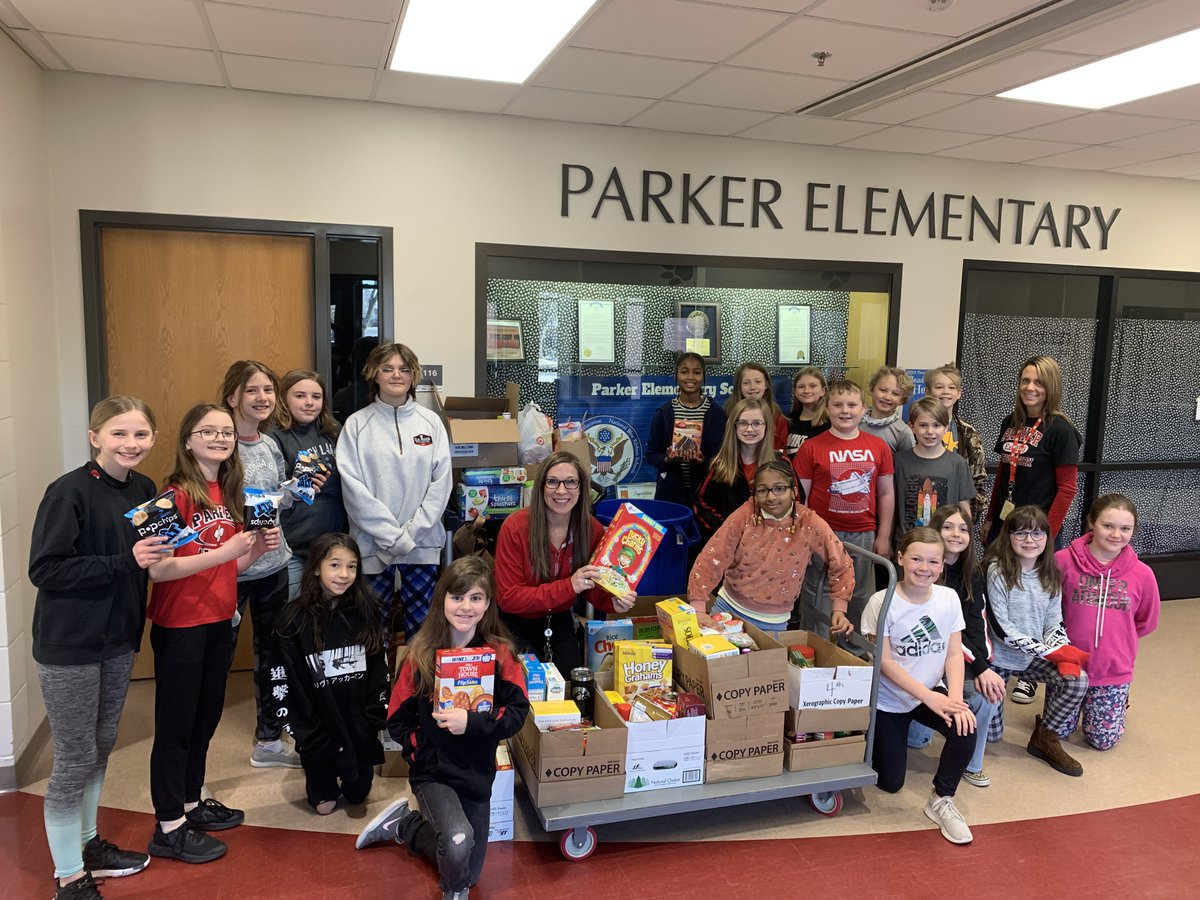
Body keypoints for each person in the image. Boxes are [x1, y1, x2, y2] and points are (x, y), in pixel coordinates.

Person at [30, 397, 165, 899]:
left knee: (102, 742)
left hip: (117, 639)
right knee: (73, 755)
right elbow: (44, 570)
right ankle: (68, 876)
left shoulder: (146, 490)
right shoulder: (68, 493)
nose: (131, 444)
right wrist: (122, 560)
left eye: (141, 435)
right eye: (119, 434)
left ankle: (88, 844)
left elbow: (148, 558)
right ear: (95, 438)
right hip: (69, 643)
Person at [145, 404, 279, 864]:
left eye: (225, 432)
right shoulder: (173, 495)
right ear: (188, 440)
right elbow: (160, 570)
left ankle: (189, 802)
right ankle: (167, 826)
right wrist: (225, 549)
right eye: (208, 431)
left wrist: (255, 548)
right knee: (176, 726)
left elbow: (231, 567)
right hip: (180, 623)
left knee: (205, 719)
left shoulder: (229, 491)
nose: (220, 438)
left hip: (219, 619)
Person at [354, 557, 530, 900]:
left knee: (470, 869)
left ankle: (406, 825)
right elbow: (397, 721)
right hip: (433, 772)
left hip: (477, 773)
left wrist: (474, 723)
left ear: (488, 604)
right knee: (458, 845)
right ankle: (453, 892)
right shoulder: (420, 654)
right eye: (457, 597)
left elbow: (518, 712)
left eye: (476, 598)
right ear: (442, 600)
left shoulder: (500, 654)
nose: (466, 607)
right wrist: (425, 749)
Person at [860, 527, 976, 845]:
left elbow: (954, 652)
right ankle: (872, 736)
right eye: (916, 559)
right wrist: (931, 699)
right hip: (889, 700)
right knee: (890, 782)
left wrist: (953, 699)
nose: (924, 568)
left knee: (965, 727)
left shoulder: (948, 597)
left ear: (942, 566)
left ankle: (941, 799)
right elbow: (884, 662)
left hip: (928, 692)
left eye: (933, 562)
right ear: (900, 559)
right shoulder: (881, 602)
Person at [981, 356, 1081, 706]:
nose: (1030, 388)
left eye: (1038, 382)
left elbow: (1067, 488)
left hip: (1036, 533)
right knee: (995, 592)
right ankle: (994, 661)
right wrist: (991, 520)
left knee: (1032, 599)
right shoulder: (1013, 423)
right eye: (1025, 380)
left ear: (1051, 386)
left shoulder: (1061, 429)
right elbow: (1001, 478)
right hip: (1006, 526)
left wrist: (1045, 538)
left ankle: (1030, 674)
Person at [337, 341, 452, 640]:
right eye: (387, 368)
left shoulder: (432, 423)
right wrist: (392, 537)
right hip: (372, 547)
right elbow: (354, 490)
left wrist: (410, 536)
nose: (396, 375)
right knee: (371, 632)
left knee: (422, 633)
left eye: (403, 369)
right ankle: (375, 688)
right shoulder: (356, 425)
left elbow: (441, 486)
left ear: (414, 375)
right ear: (374, 374)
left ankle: (414, 688)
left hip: (422, 545)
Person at [219, 360, 298, 769]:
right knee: (217, 659)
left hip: (273, 567)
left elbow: (273, 503)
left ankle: (268, 740)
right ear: (232, 396)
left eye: (268, 389)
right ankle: (192, 754)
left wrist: (297, 491)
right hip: (229, 572)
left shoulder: (269, 444)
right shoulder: (220, 447)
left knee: (273, 656)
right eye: (252, 390)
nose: (262, 398)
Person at [272, 534, 387, 815]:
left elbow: (378, 669)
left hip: (358, 728)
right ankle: (320, 774)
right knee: (323, 806)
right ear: (315, 568)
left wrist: (373, 719)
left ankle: (351, 765)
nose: (344, 574)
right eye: (334, 565)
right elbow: (286, 684)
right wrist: (309, 735)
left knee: (358, 796)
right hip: (318, 733)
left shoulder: (367, 611)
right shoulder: (292, 620)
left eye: (352, 566)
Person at [494, 451, 634, 671]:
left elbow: (592, 586)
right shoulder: (515, 528)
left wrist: (613, 602)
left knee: (573, 681)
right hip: (514, 622)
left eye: (570, 482)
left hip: (558, 618)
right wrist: (569, 586)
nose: (561, 490)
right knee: (529, 682)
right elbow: (509, 598)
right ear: (541, 487)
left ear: (581, 488)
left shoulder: (591, 529)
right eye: (552, 482)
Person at [688, 460, 854, 636]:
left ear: (794, 492)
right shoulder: (745, 514)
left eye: (779, 488)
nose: (771, 497)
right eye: (762, 490)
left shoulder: (810, 523)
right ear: (754, 494)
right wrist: (698, 608)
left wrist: (839, 609)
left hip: (774, 623)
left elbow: (842, 563)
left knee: (764, 663)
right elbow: (711, 557)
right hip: (727, 611)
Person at [983, 506, 1089, 777]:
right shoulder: (996, 571)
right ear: (1008, 536)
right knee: (991, 736)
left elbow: (1054, 622)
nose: (1030, 540)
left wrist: (1060, 649)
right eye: (1021, 533)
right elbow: (1000, 628)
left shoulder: (1050, 573)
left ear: (1047, 538)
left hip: (1031, 659)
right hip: (997, 661)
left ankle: (1045, 737)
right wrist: (1045, 650)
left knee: (1078, 680)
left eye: (1037, 533)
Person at [907, 507, 1005, 789]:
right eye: (948, 527)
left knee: (988, 691)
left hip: (957, 657)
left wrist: (984, 668)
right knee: (916, 741)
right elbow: (940, 630)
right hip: (924, 658)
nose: (956, 534)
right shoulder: (924, 572)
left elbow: (977, 623)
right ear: (935, 532)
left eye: (963, 529)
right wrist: (980, 667)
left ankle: (971, 763)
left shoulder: (972, 572)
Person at [1056, 494, 1160, 750]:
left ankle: (1119, 702)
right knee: (1057, 732)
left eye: (1125, 528)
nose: (1116, 535)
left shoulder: (1143, 574)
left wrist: (1118, 641)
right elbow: (1050, 610)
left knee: (1102, 742)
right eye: (1108, 526)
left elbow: (1147, 620)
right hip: (1070, 664)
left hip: (1113, 667)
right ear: (1092, 522)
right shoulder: (1062, 561)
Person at [793, 379, 894, 637]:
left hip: (864, 533)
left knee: (859, 594)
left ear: (863, 408)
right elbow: (800, 499)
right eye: (837, 405)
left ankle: (854, 651)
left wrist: (883, 535)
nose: (845, 410)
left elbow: (885, 492)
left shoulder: (878, 447)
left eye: (852, 404)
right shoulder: (811, 447)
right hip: (823, 535)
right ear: (827, 409)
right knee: (820, 592)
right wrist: (802, 537)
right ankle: (816, 645)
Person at [270, 369, 347, 599]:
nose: (309, 403)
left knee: (327, 616)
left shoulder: (334, 432)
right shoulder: (273, 436)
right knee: (292, 617)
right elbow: (276, 487)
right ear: (284, 398)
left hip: (331, 545)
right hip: (292, 546)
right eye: (300, 396)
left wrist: (330, 483)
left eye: (316, 397)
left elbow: (352, 479)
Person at [645, 352, 726, 506]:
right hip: (671, 495)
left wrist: (703, 461)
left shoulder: (717, 414)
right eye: (684, 372)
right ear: (676, 376)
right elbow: (651, 455)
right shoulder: (664, 413)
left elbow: (724, 458)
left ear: (704, 377)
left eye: (696, 372)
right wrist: (667, 460)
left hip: (707, 496)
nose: (690, 377)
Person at [694, 398, 779, 544]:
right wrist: (727, 531)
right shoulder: (720, 464)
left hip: (771, 544)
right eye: (743, 423)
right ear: (734, 426)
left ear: (767, 426)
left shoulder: (780, 463)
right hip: (731, 546)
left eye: (757, 423)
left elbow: (795, 501)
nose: (749, 429)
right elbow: (701, 504)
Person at [891, 397, 974, 538]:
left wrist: (966, 538)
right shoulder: (899, 461)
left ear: (946, 428)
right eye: (923, 425)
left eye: (936, 425)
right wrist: (886, 538)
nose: (930, 431)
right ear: (912, 427)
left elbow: (964, 508)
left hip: (945, 544)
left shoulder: (958, 463)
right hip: (906, 543)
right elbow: (891, 507)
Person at [924, 363, 987, 519]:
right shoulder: (914, 430)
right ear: (927, 391)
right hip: (923, 510)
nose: (945, 392)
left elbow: (978, 480)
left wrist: (968, 518)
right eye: (939, 387)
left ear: (959, 393)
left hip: (956, 514)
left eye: (951, 388)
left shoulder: (969, 434)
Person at [724, 362, 787, 452]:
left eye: (758, 382)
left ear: (766, 385)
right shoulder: (727, 414)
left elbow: (779, 453)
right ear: (739, 386)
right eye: (746, 383)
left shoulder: (778, 419)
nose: (752, 387)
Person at [861, 366, 915, 454]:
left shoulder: (902, 432)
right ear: (871, 389)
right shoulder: (855, 422)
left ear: (902, 400)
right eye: (883, 390)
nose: (887, 397)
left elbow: (908, 465)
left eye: (895, 393)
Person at [786, 367, 830, 461]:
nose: (806, 391)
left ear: (823, 390)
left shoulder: (830, 423)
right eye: (801, 386)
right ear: (795, 392)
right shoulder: (787, 421)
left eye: (813, 386)